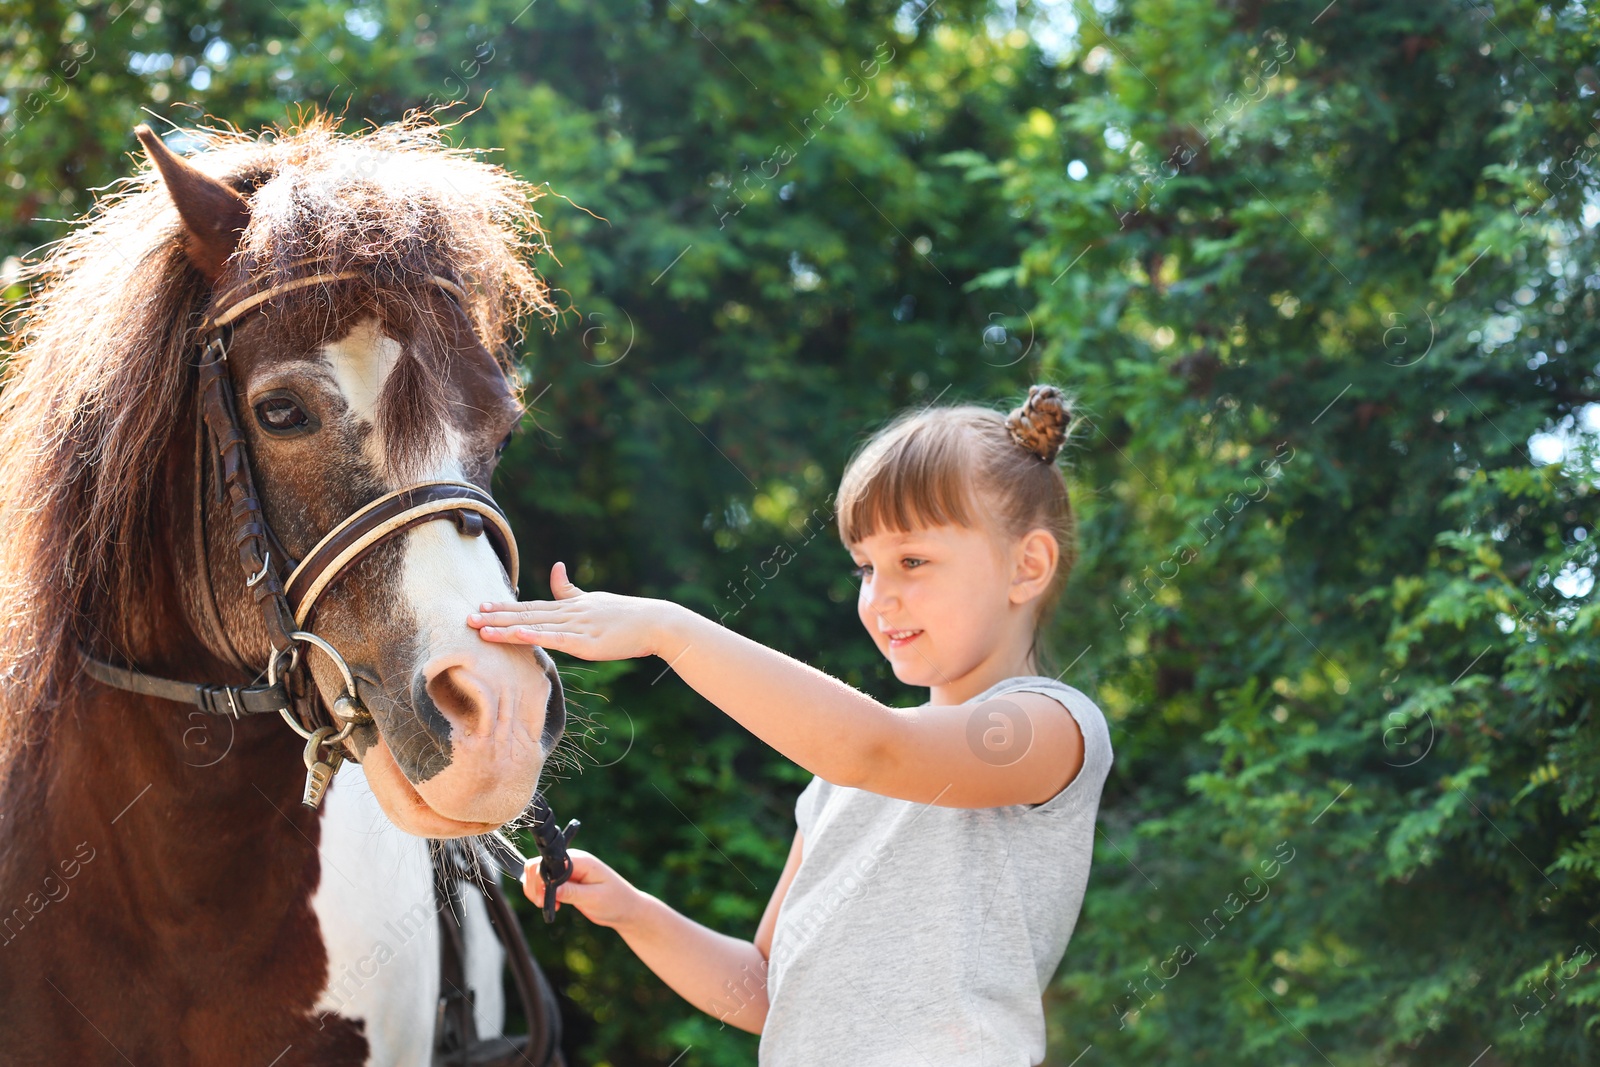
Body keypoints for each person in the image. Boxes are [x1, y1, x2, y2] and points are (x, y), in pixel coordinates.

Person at [467, 384, 1115, 1066]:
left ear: (1027, 565)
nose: (880, 594)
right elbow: (765, 986)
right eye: (866, 566)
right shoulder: (839, 783)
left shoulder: (1052, 725)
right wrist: (632, 909)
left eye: (913, 560)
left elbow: (875, 747)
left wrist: (667, 628)